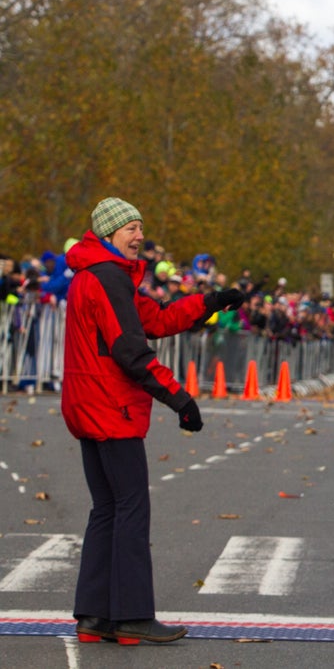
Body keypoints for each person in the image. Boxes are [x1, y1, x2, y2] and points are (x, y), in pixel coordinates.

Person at [62, 197, 245, 646]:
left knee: (106, 508)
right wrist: (179, 398)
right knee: (129, 507)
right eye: (130, 229)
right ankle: (132, 616)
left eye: (140, 227)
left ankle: (94, 615)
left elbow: (157, 319)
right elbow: (131, 349)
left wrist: (209, 302)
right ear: (107, 235)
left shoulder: (100, 276)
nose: (139, 235)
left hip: (88, 404)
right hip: (110, 407)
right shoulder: (107, 278)